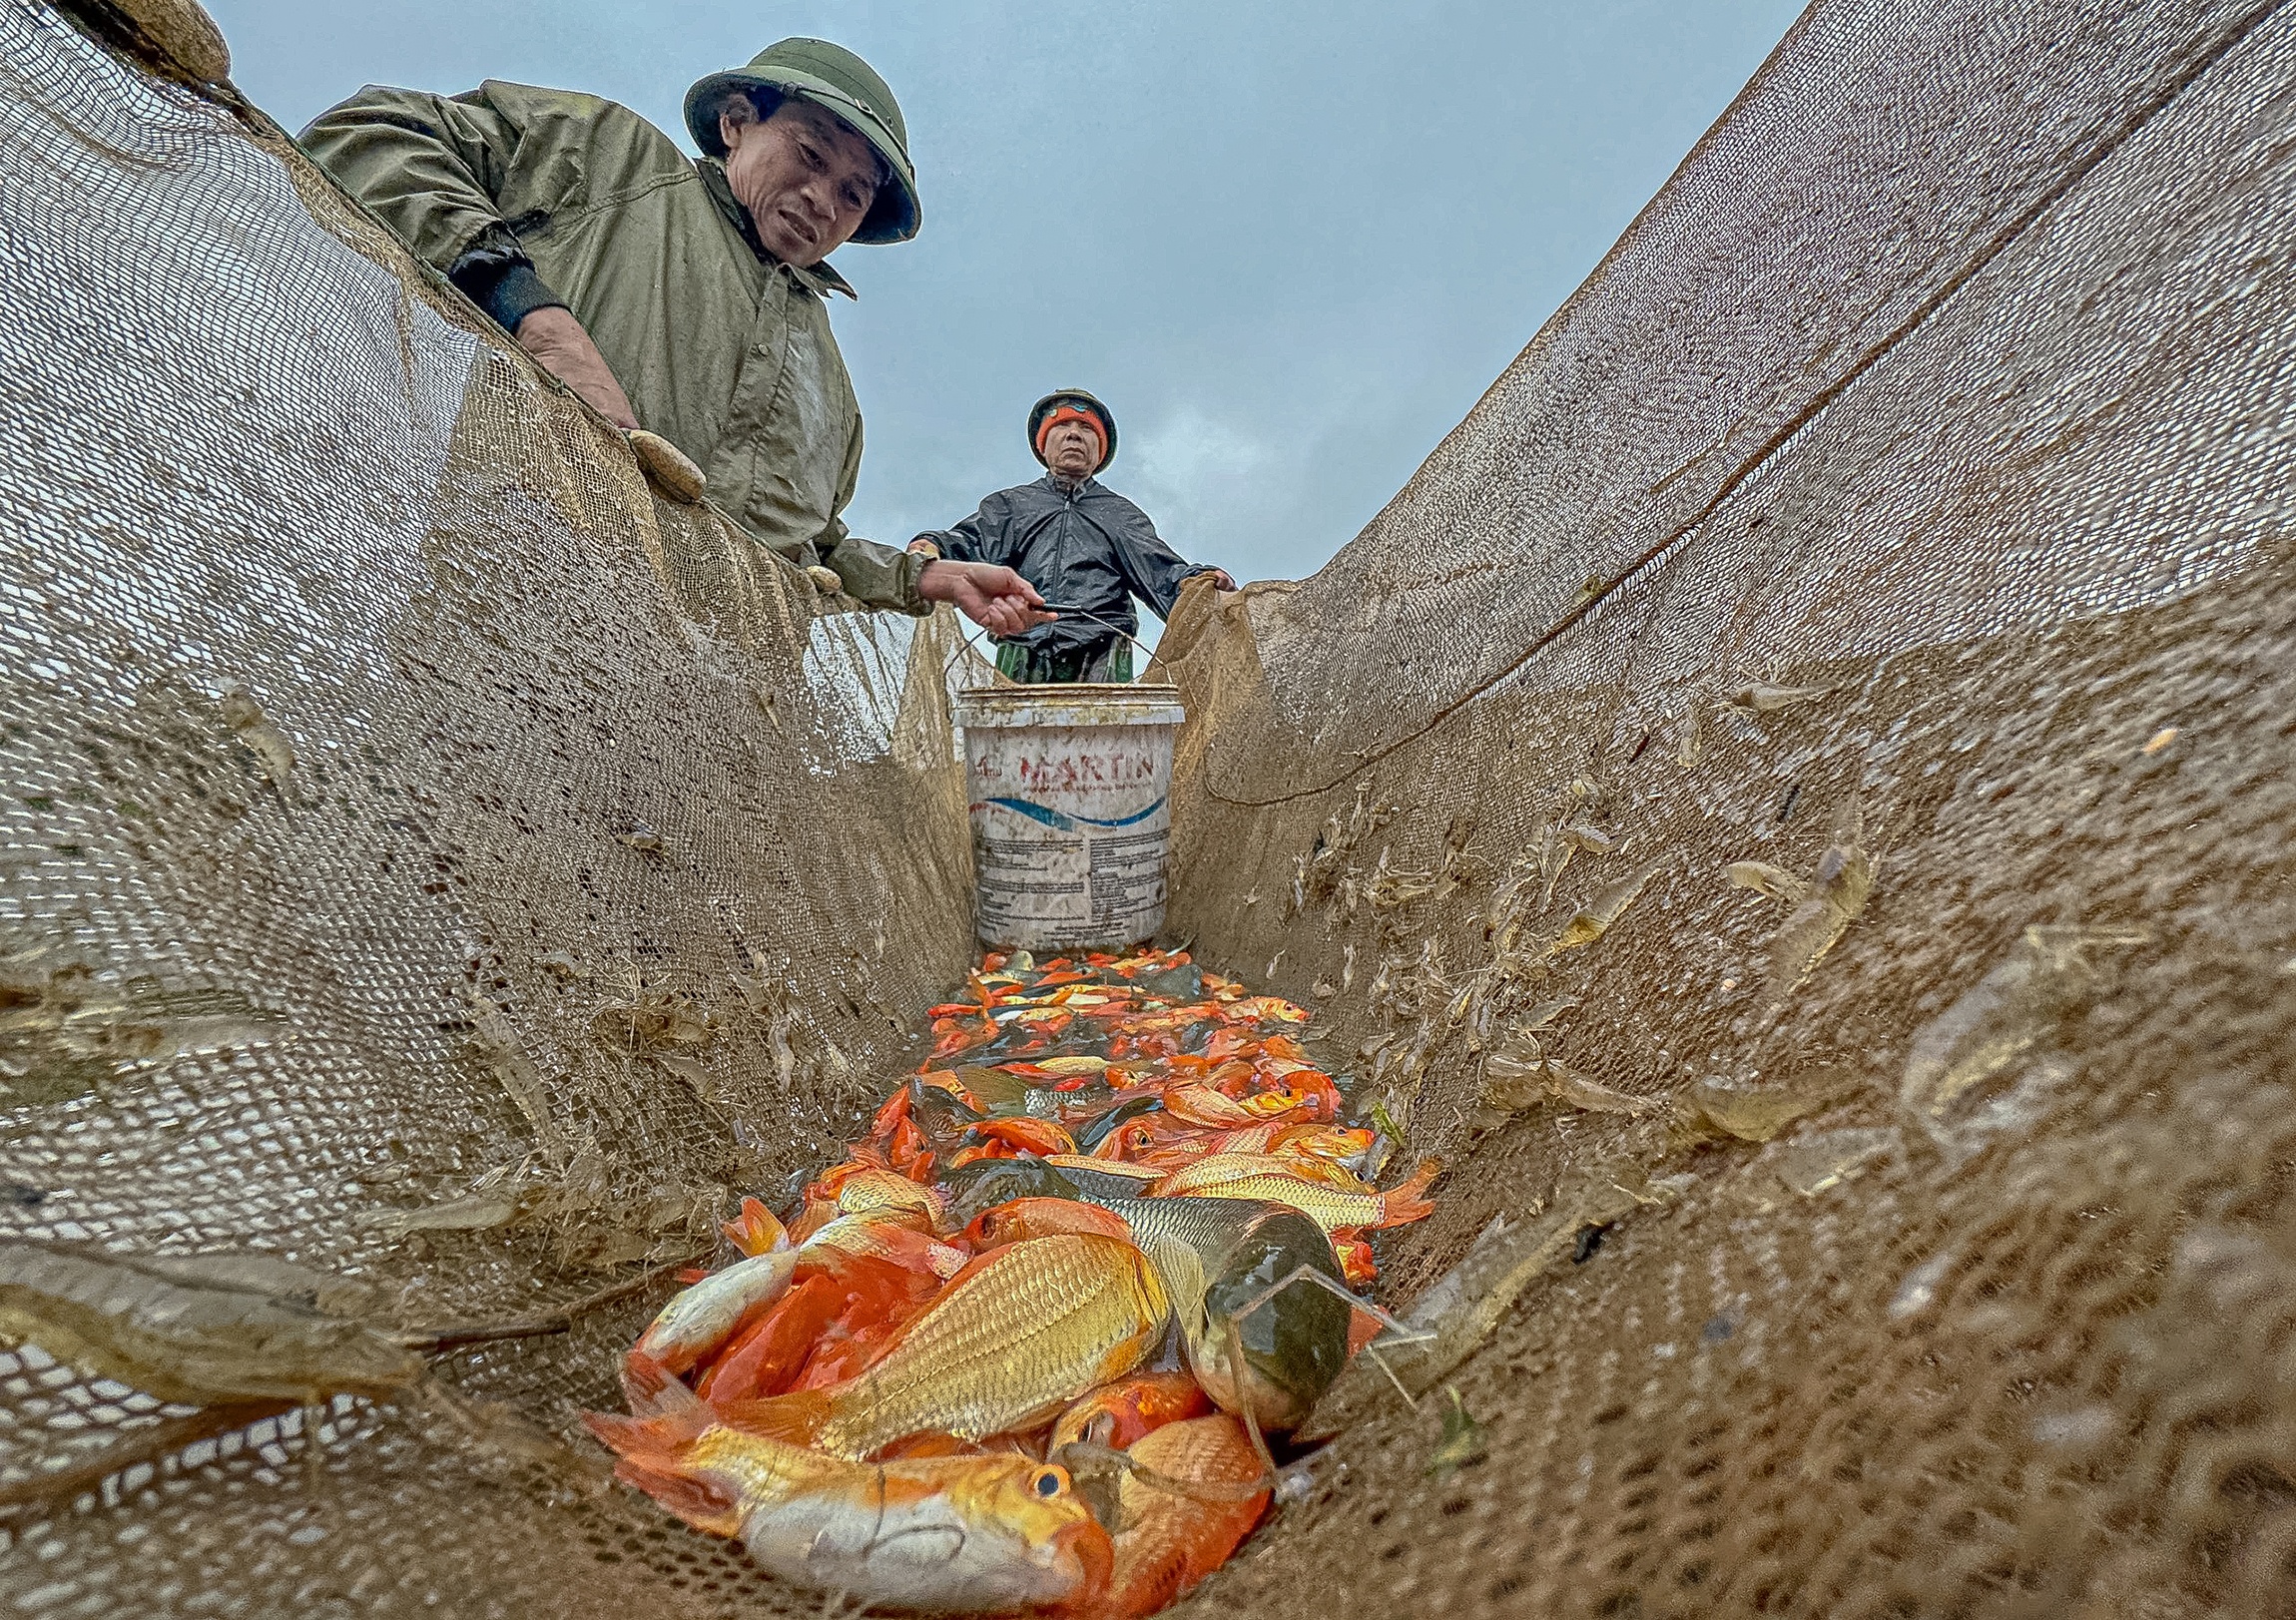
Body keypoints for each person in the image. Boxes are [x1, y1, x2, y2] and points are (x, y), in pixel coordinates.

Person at [300, 39, 1049, 638]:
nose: (823, 198)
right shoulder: (612, 161)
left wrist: (924, 577)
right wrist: (539, 319)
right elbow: (371, 135)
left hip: (714, 744)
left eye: (855, 194)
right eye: (810, 153)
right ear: (736, 122)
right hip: (504, 630)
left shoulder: (838, 398)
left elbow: (807, 557)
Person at [909, 391, 1233, 683]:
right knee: (1011, 739)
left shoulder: (1120, 513)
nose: (1075, 435)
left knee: (1106, 743)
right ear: (1044, 444)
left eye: (1087, 429)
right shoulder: (1010, 505)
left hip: (1103, 652)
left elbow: (1162, 573)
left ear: (1099, 450)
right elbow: (969, 544)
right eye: (1063, 427)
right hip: (1021, 648)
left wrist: (1201, 583)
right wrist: (931, 546)